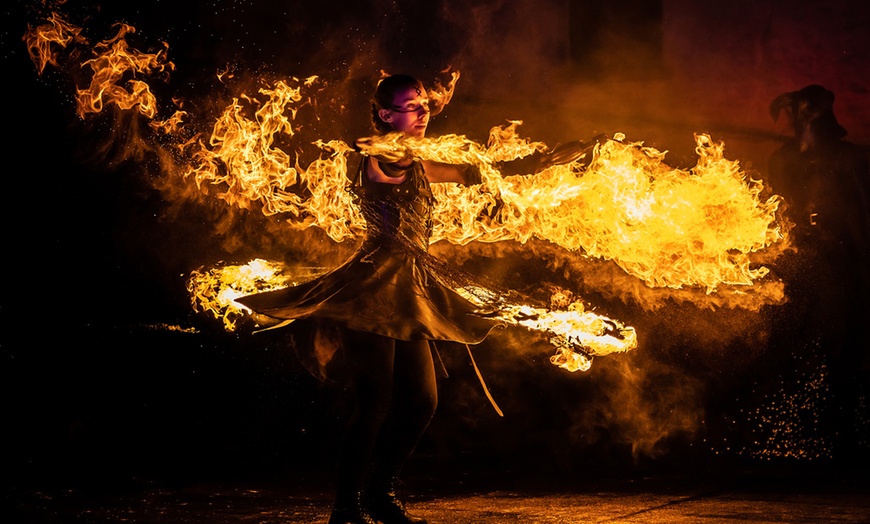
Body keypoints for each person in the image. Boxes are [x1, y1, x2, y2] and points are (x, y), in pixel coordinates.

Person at [238, 74, 505, 524]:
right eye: (411, 106)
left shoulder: (416, 161)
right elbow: (392, 159)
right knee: (375, 402)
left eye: (424, 104)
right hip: (374, 287)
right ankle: (345, 508)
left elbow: (467, 172)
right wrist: (393, 147)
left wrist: (534, 165)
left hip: (410, 289)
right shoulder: (386, 158)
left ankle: (378, 494)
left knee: (422, 402)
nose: (422, 113)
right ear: (385, 114)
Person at [767, 84, 870, 467]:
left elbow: (860, 215)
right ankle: (799, 436)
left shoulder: (848, 160)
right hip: (798, 265)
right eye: (798, 114)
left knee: (841, 347)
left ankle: (843, 438)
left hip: (840, 266)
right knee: (795, 344)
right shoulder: (783, 160)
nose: (803, 122)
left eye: (809, 114)